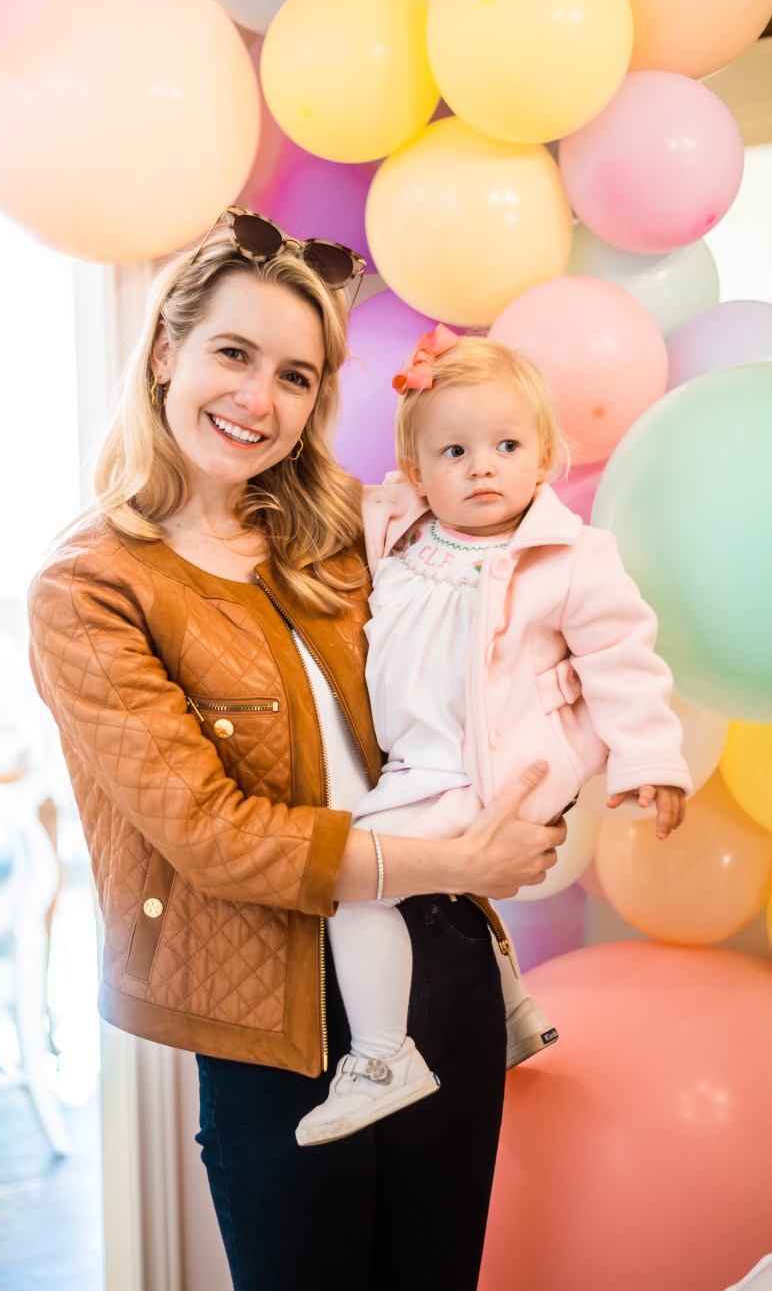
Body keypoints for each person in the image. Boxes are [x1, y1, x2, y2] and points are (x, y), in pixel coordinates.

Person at [27, 209, 568, 1291]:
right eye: (234, 354)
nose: (258, 401)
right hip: (274, 1015)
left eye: (296, 375)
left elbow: (494, 636)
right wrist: (464, 861)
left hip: (443, 969)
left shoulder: (347, 532)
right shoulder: (91, 589)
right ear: (168, 350)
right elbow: (216, 841)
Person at [295, 329, 691, 1149]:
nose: (482, 466)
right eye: (454, 450)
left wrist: (649, 757)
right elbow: (320, 488)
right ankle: (506, 1003)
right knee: (424, 879)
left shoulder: (568, 558)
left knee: (358, 879)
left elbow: (623, 660)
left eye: (506, 445)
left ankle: (380, 1056)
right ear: (415, 473)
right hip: (419, 767)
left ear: (544, 457)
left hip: (500, 769)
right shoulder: (401, 537)